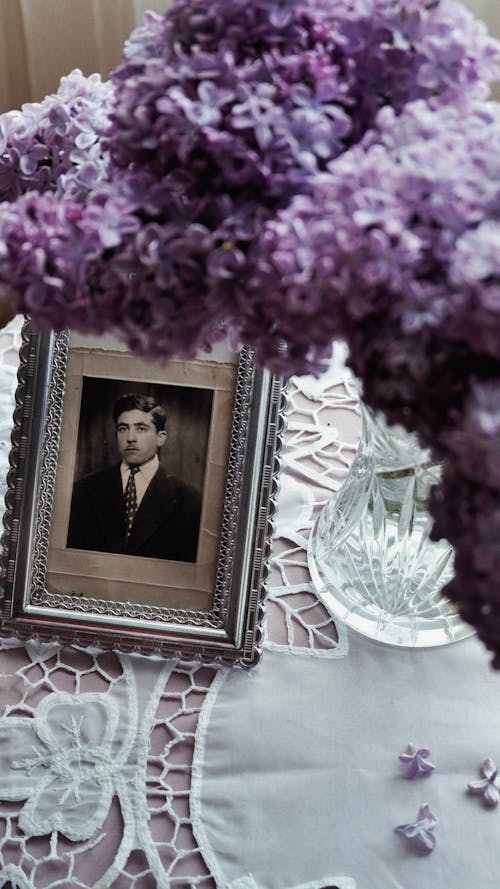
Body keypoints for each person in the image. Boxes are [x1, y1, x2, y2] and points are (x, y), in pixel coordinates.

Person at [67, 393, 201, 562]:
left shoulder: (190, 500)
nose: (130, 438)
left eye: (141, 429)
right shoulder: (84, 490)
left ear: (160, 438)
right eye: (123, 429)